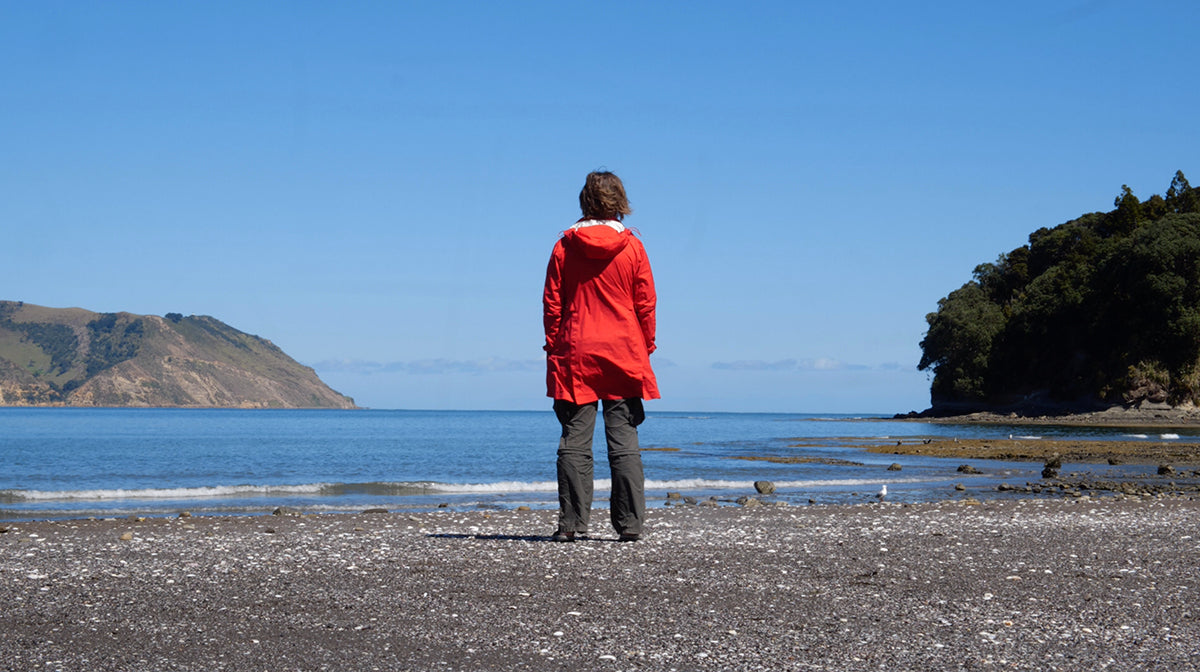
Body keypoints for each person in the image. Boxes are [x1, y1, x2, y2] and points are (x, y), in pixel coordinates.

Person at [543, 170, 659, 543]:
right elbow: (646, 304)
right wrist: (647, 346)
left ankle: (572, 524)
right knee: (623, 438)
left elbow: (552, 304)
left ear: (584, 201)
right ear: (620, 203)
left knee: (575, 438)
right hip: (623, 348)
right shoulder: (633, 247)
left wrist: (554, 346)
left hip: (577, 348)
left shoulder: (565, 245)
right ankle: (630, 524)